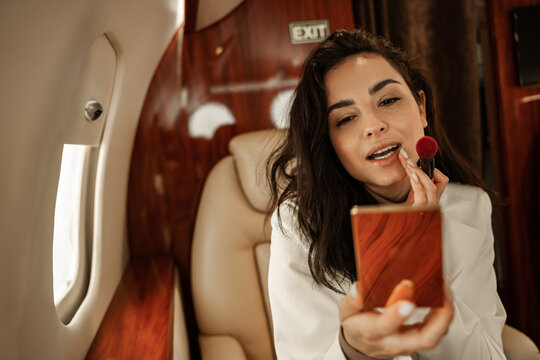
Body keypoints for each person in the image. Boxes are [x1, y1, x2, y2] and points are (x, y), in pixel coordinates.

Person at [266, 28, 506, 359]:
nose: (374, 125)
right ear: (330, 144)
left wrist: (419, 256)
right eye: (346, 118)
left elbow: (488, 355)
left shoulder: (470, 207)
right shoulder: (297, 226)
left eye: (388, 100)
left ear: (421, 109)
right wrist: (353, 350)